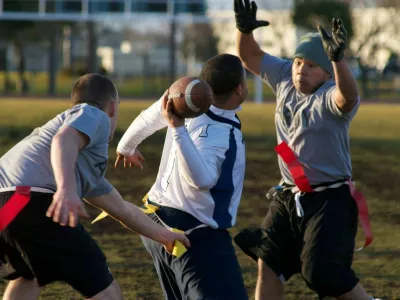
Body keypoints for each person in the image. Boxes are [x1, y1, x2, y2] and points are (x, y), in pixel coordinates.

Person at [232, 0, 376, 299]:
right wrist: (244, 31)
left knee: (324, 275)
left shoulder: (329, 96)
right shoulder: (285, 75)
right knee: (268, 262)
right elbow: (250, 56)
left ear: (326, 73)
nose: (301, 70)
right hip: (289, 194)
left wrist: (338, 60)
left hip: (329, 199)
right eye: (299, 62)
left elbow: (347, 96)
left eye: (312, 66)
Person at [0, 73, 189, 300]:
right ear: (112, 107)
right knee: (107, 293)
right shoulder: (94, 114)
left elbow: (121, 210)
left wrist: (164, 236)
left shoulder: (85, 168)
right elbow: (64, 139)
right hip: (31, 199)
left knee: (27, 276)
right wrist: (66, 188)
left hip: (7, 207)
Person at [115, 54, 249, 300]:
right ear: (239, 88)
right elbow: (201, 180)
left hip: (155, 224)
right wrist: (177, 130)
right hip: (193, 234)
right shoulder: (221, 134)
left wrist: (126, 147)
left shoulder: (183, 101)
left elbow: (148, 117)